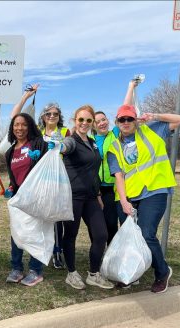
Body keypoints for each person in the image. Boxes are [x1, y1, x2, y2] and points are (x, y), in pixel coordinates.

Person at [107, 104, 180, 293]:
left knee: (147, 234)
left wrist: (154, 115)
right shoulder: (114, 146)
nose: (126, 123)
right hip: (130, 196)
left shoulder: (152, 130)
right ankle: (131, 274)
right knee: (129, 239)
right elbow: (119, 176)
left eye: (129, 119)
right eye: (122, 120)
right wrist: (124, 201)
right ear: (117, 122)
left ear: (136, 120)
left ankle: (162, 272)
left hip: (154, 191)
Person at [4, 113, 71, 286]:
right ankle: (16, 268)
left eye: (24, 125)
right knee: (16, 233)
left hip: (38, 196)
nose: (20, 128)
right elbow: (14, 176)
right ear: (12, 128)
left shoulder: (38, 143)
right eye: (16, 125)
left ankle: (36, 270)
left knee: (37, 232)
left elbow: (49, 161)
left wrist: (44, 152)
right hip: (20, 197)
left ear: (30, 126)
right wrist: (11, 188)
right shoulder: (11, 151)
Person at [11, 84, 71, 269]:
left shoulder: (65, 132)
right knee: (36, 219)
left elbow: (70, 147)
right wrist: (25, 97)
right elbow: (15, 118)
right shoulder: (37, 132)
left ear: (59, 117)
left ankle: (56, 252)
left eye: (55, 114)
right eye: (48, 114)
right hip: (36, 182)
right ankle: (33, 256)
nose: (52, 116)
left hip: (56, 181)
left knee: (54, 219)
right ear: (43, 117)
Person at [61, 105, 114, 290]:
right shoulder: (71, 140)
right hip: (73, 197)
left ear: (92, 123)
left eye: (88, 120)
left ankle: (93, 274)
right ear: (75, 121)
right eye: (80, 120)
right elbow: (65, 147)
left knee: (101, 235)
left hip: (91, 197)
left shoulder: (92, 142)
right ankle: (72, 273)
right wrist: (59, 146)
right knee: (70, 235)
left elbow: (93, 172)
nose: (84, 123)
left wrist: (98, 193)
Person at [93, 80, 137, 245]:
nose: (102, 123)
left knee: (112, 223)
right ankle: (102, 250)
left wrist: (130, 87)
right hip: (96, 189)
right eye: (98, 122)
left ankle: (113, 251)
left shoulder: (116, 133)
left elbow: (125, 108)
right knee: (99, 225)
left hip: (113, 187)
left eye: (104, 119)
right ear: (93, 126)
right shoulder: (90, 140)